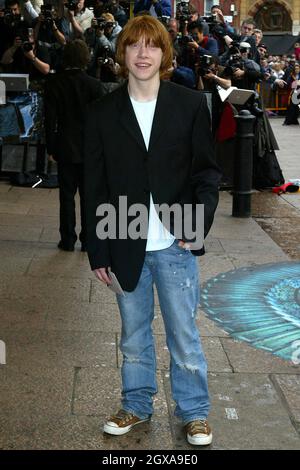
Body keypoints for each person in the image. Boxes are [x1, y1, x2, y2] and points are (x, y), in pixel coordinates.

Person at [84, 15, 221, 445]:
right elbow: (94, 186)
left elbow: (207, 174)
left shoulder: (189, 104)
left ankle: (194, 412)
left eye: (152, 46)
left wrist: (196, 225)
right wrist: (98, 251)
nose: (143, 54)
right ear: (122, 53)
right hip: (124, 239)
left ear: (165, 55)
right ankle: (136, 404)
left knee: (184, 332)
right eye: (134, 46)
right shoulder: (103, 112)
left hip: (175, 241)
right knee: (133, 332)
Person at [44, 39, 104, 252]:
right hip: (90, 148)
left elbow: (49, 120)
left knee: (66, 196)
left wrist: (51, 148)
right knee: (89, 197)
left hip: (65, 146)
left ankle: (67, 239)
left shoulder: (53, 83)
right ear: (85, 59)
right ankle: (88, 240)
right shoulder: (95, 85)